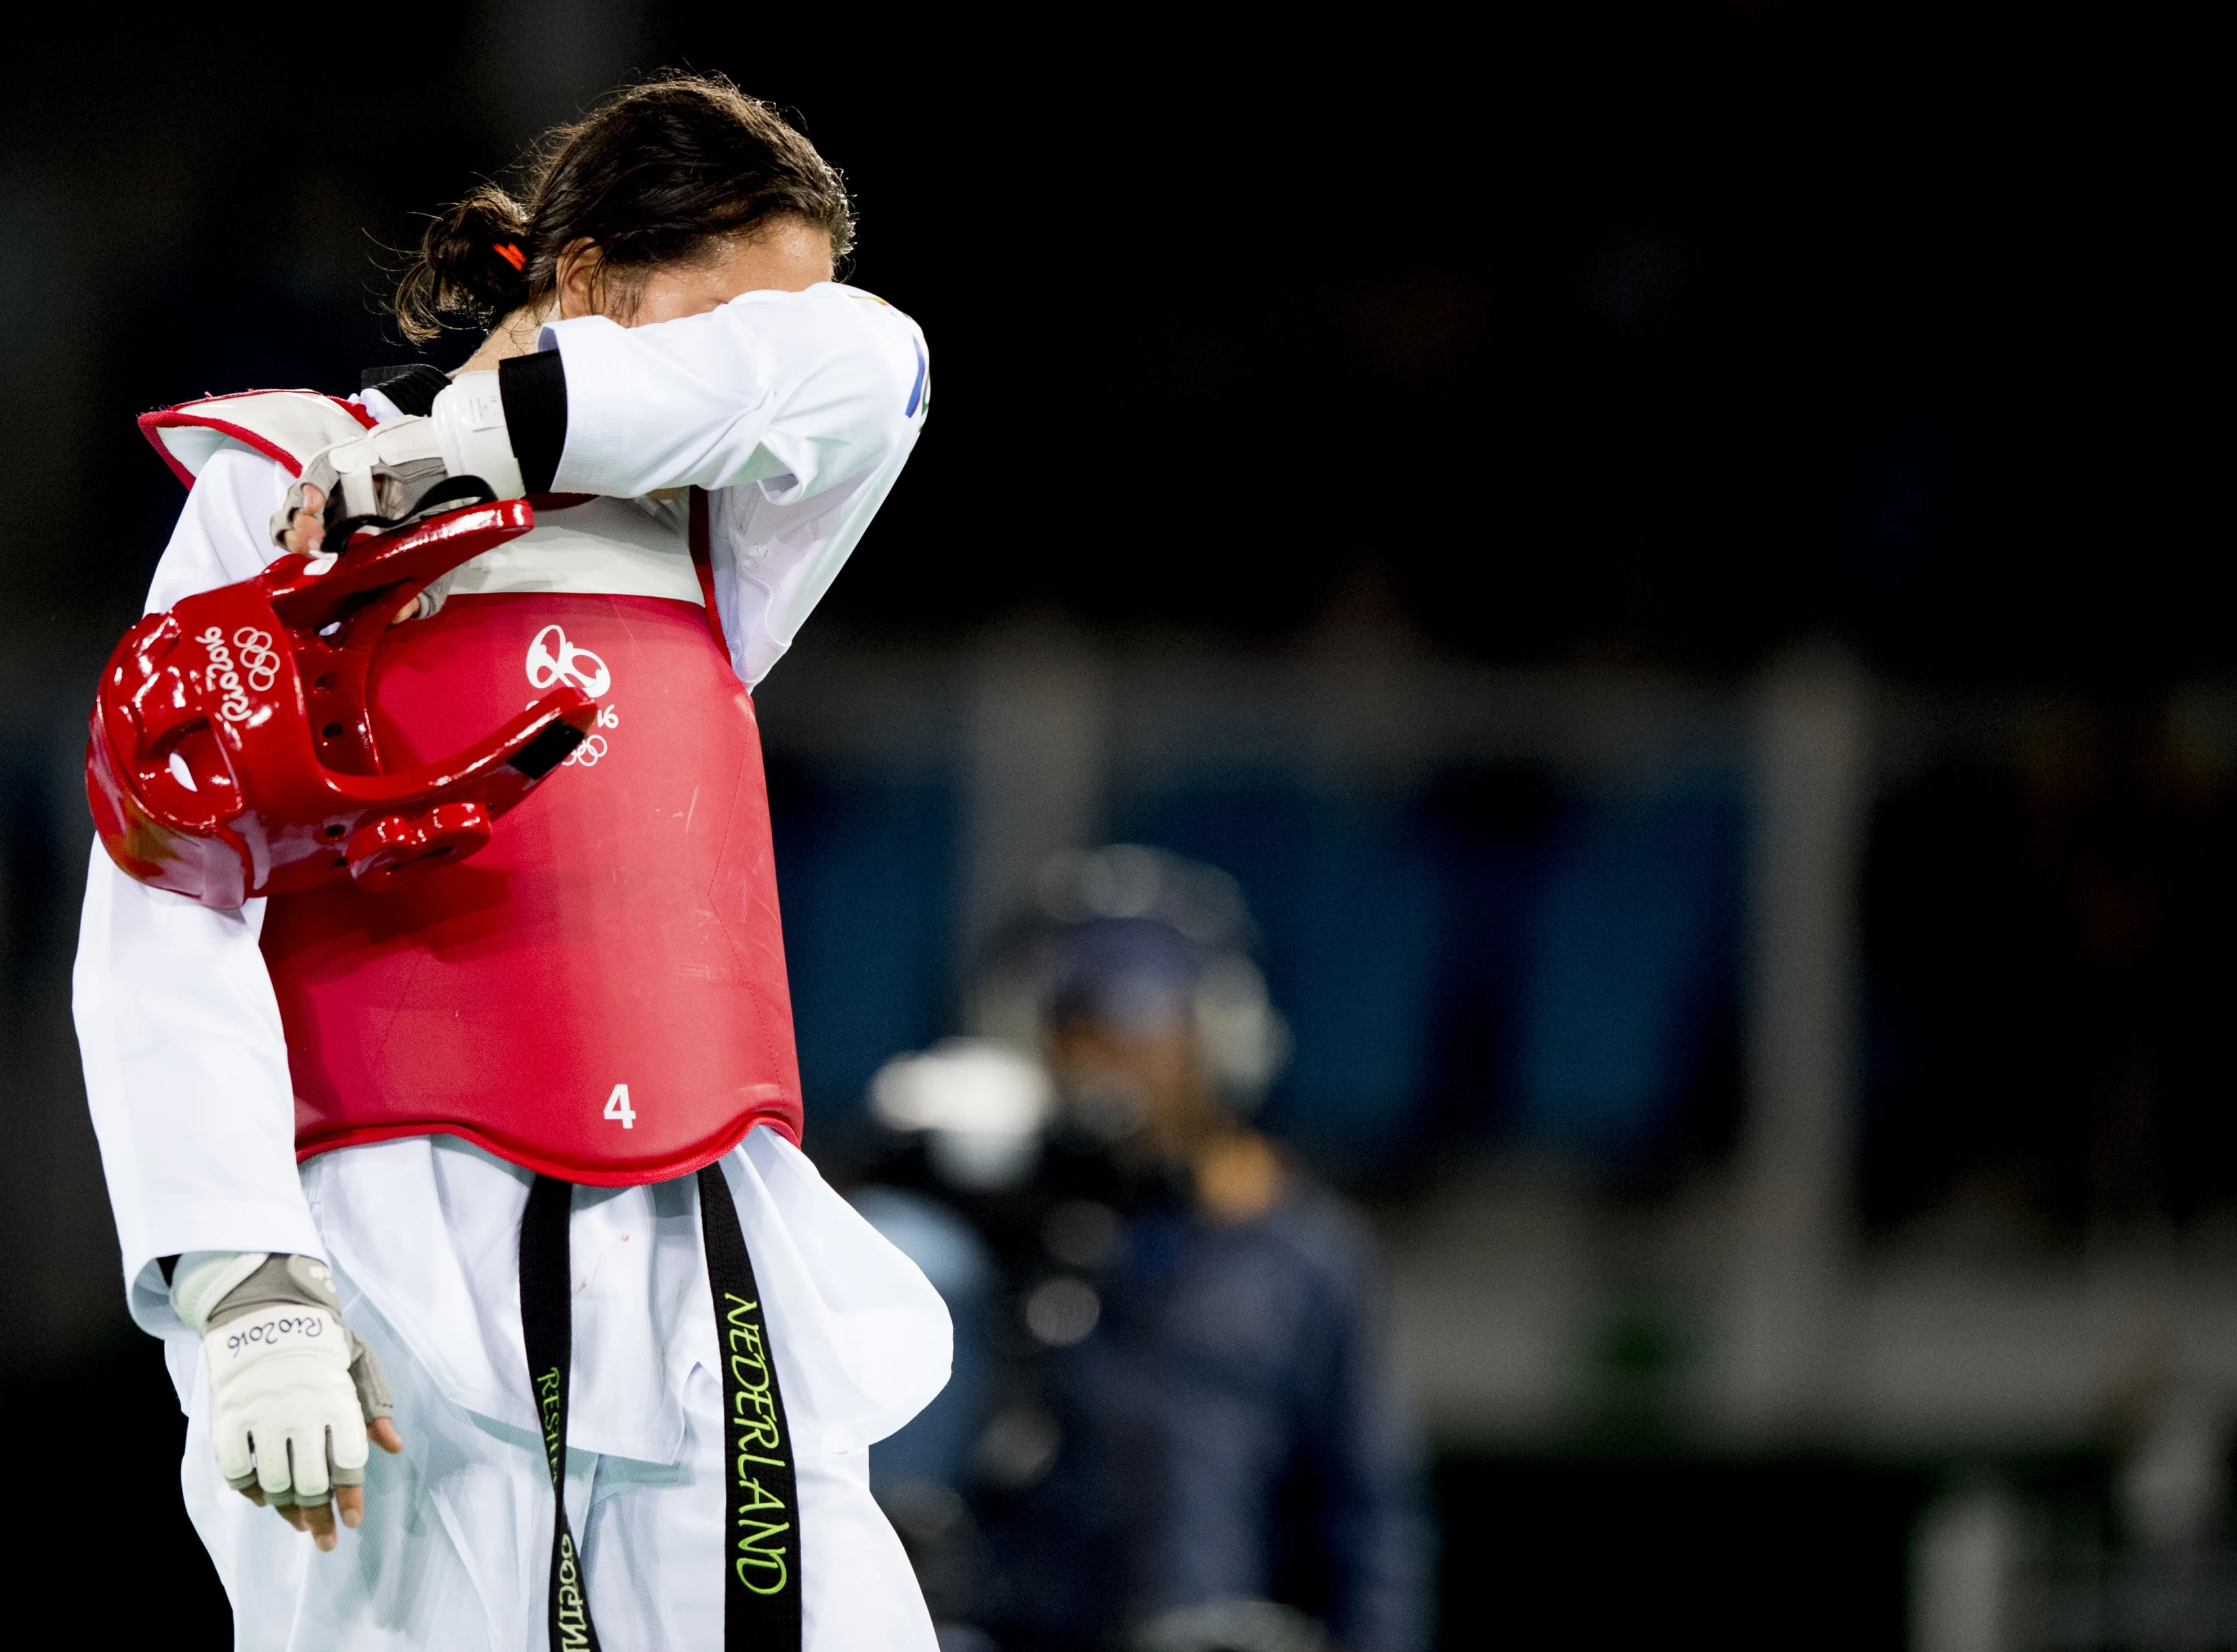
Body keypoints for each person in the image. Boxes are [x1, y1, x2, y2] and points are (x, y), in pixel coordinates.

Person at [73, 75, 946, 1651]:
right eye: (716, 323)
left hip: (696, 1256)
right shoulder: (278, 500)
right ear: (592, 274)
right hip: (388, 1262)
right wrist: (241, 1279)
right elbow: (163, 898)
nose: (743, 386)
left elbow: (868, 358)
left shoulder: (722, 540)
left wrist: (489, 442)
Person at [864, 848, 1433, 1652]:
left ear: (1215, 1036)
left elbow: (1370, 1522)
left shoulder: (1304, 1253)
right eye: (1073, 1027)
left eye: (1133, 1023)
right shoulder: (1005, 1223)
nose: (1101, 1059)